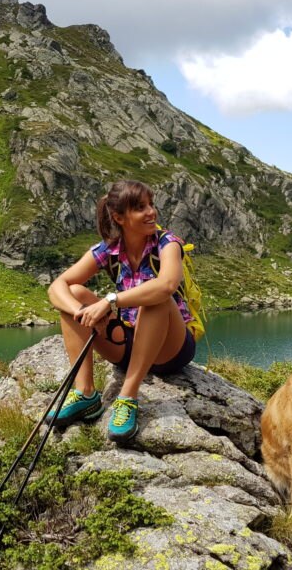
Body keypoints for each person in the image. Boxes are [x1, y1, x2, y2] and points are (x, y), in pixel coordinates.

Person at [46, 180, 196, 444]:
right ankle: (86, 394)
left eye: (151, 205)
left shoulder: (167, 243)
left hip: (170, 350)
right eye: (140, 208)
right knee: (75, 293)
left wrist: (110, 301)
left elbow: (167, 285)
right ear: (119, 217)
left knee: (156, 297)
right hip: (129, 344)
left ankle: (127, 397)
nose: (151, 212)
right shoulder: (109, 249)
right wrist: (81, 313)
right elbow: (57, 286)